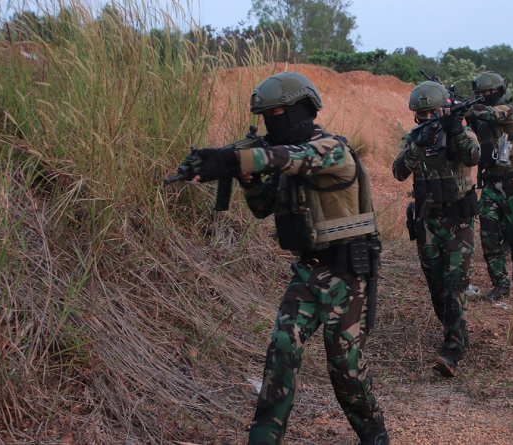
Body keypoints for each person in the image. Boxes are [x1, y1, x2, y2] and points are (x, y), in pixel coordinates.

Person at [189, 72, 389, 445]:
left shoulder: (330, 149)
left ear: (302, 109)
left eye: (277, 113)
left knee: (345, 371)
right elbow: (263, 207)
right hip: (308, 272)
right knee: (282, 352)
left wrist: (231, 159)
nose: (271, 123)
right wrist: (246, 179)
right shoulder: (284, 159)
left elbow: (288, 158)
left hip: (348, 273)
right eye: (265, 116)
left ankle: (375, 435)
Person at [392, 81, 481, 377]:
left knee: (455, 282)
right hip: (428, 222)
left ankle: (451, 350)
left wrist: (455, 131)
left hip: (458, 219)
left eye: (433, 113)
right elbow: (399, 171)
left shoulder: (461, 132)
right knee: (436, 286)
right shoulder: (413, 139)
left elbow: (473, 157)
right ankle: (455, 331)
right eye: (422, 115)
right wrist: (420, 143)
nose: (428, 118)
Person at [466, 71, 513, 300]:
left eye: (487, 93)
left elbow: (488, 112)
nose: (483, 97)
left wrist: (465, 107)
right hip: (490, 184)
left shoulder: (509, 111)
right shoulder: (480, 120)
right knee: (488, 237)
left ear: (498, 92)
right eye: (480, 94)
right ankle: (501, 283)